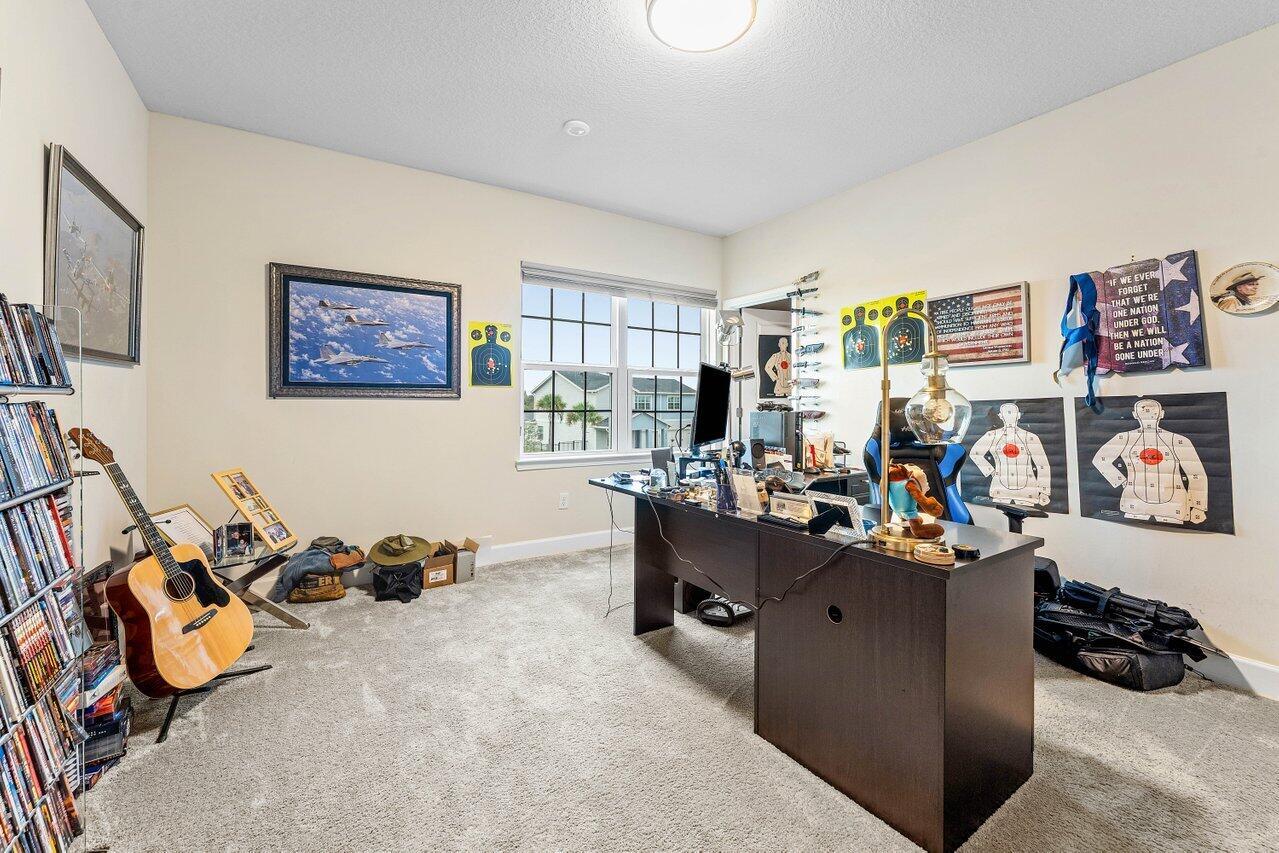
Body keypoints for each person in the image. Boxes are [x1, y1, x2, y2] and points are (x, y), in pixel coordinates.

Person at [1091, 398, 1207, 525]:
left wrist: (1198, 507)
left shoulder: (1178, 440)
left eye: (1152, 411)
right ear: (1135, 414)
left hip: (1172, 507)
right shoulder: (1124, 438)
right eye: (1143, 411)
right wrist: (1120, 480)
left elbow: (1196, 474)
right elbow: (1100, 459)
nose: (1148, 414)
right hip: (1135, 505)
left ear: (1161, 414)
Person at [969, 402, 1051, 507]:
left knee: (1028, 516)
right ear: (1000, 416)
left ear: (1018, 415)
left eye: (1012, 413)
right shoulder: (992, 435)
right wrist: (991, 471)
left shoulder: (1030, 437)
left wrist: (1044, 491)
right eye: (1007, 413)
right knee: (997, 515)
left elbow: (1042, 464)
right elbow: (975, 453)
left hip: (1027, 491)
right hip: (1000, 490)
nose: (1009, 416)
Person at [843, 305, 879, 369]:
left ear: (865, 314)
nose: (859, 314)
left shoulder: (874, 329)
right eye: (857, 312)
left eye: (861, 312)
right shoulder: (847, 334)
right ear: (854, 315)